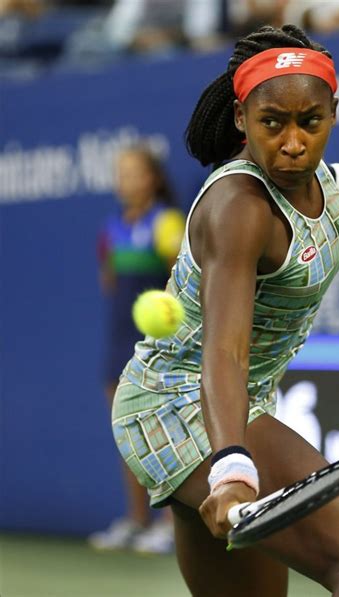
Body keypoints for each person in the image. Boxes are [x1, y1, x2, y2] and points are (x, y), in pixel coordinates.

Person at [111, 24, 339, 595]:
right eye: (273, 123)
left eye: (311, 123)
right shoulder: (238, 209)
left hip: (225, 402)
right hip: (181, 407)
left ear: (333, 114)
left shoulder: (311, 172)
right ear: (243, 119)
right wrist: (232, 468)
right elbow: (225, 353)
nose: (293, 142)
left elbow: (327, 179)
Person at [90, 144, 185, 552]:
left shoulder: (167, 223)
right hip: (117, 341)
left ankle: (171, 524)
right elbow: (109, 282)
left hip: (158, 346)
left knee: (165, 435)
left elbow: (182, 280)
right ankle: (136, 521)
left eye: (133, 172)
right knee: (126, 434)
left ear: (153, 179)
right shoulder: (110, 229)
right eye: (120, 172)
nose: (124, 180)